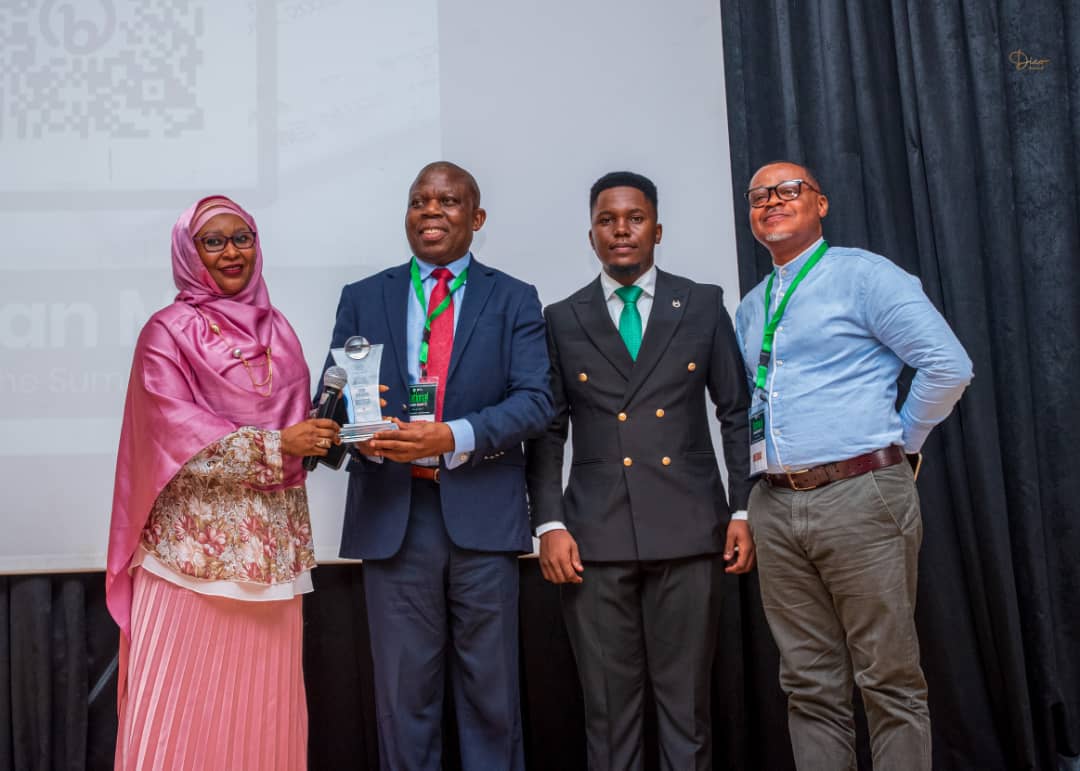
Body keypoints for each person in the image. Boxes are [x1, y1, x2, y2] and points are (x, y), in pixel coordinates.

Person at [734, 161, 973, 771]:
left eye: (790, 190)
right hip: (775, 505)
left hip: (861, 491)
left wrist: (904, 442)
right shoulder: (752, 305)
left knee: (887, 678)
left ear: (822, 205)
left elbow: (948, 365)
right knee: (808, 685)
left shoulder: (864, 277)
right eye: (760, 195)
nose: (772, 201)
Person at [324, 162, 553, 770]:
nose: (431, 211)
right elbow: (335, 397)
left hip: (480, 515)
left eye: (448, 201)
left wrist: (451, 435)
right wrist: (359, 436)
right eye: (419, 200)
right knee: (403, 702)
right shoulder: (362, 297)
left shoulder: (514, 298)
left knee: (492, 699)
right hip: (393, 517)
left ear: (475, 219)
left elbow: (536, 402)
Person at [525, 171, 755, 770]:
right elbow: (550, 430)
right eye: (607, 220)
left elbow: (736, 411)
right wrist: (547, 522)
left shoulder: (701, 302)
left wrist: (742, 508)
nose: (620, 230)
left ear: (657, 229)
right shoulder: (562, 316)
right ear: (592, 234)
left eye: (633, 218)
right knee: (608, 713)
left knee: (686, 710)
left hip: (690, 528)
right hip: (593, 537)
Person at [107, 195, 340, 770]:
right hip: (190, 558)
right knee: (176, 714)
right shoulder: (166, 331)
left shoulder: (278, 330)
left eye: (243, 238)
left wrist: (338, 425)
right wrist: (278, 444)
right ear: (190, 253)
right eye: (214, 241)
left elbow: (295, 424)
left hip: (274, 555)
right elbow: (172, 428)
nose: (232, 252)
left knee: (263, 712)